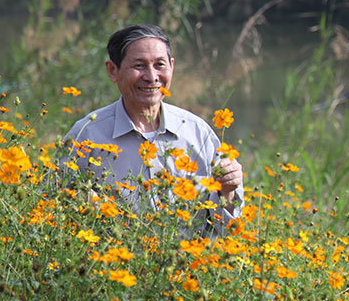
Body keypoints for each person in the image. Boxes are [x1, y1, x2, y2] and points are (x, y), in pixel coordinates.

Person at [63, 24, 244, 228]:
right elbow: (54, 206)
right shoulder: (88, 133)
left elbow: (228, 231)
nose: (151, 77)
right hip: (112, 257)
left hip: (189, 257)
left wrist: (228, 191)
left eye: (159, 65)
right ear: (113, 71)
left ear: (172, 67)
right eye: (139, 66)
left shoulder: (196, 133)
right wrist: (80, 204)